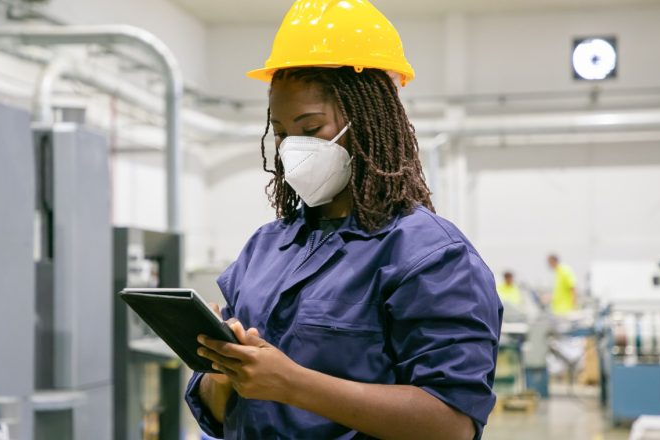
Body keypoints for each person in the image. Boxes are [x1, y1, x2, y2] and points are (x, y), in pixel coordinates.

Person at [186, 1, 502, 439]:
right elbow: (219, 414)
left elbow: (451, 424)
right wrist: (223, 375)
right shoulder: (266, 248)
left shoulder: (429, 256)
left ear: (371, 122)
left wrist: (292, 385)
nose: (291, 149)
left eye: (311, 129)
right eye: (280, 133)